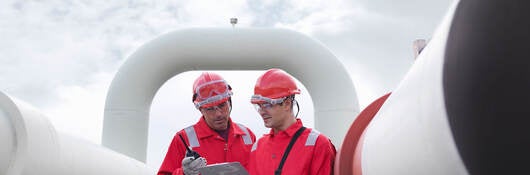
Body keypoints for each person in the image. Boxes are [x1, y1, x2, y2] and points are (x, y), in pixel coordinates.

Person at [158, 72, 256, 175]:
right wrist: (183, 173)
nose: (218, 114)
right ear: (200, 109)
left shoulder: (248, 136)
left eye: (222, 105)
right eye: (210, 109)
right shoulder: (183, 139)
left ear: (229, 102)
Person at [248, 68, 336, 175]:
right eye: (259, 106)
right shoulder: (258, 147)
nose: (262, 111)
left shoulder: (318, 144)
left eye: (267, 105)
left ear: (287, 104)